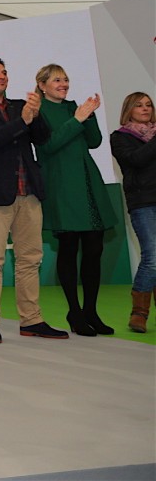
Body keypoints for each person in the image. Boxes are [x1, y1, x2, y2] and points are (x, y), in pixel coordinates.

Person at [0, 57, 67, 342]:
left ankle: (32, 320)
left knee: (30, 259)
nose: (2, 76)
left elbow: (42, 139)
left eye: (4, 72)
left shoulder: (18, 106)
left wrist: (35, 115)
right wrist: (21, 121)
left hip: (29, 192)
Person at [34, 64, 116, 336]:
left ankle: (91, 310)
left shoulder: (74, 107)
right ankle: (74, 311)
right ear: (42, 85)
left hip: (87, 183)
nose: (63, 84)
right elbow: (48, 146)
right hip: (61, 185)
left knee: (94, 249)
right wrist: (77, 120)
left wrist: (88, 115)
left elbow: (94, 141)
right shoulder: (38, 111)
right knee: (68, 248)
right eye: (57, 80)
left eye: (66, 79)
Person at [110, 92, 155, 333]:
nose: (145, 109)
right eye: (139, 105)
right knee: (152, 256)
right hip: (143, 202)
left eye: (148, 105)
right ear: (129, 109)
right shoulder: (120, 137)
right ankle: (139, 313)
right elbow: (136, 160)